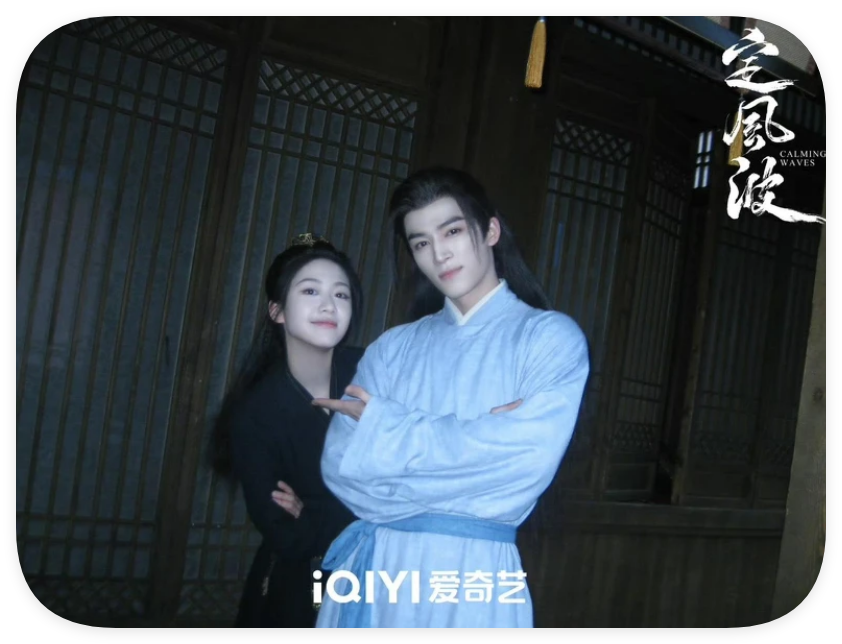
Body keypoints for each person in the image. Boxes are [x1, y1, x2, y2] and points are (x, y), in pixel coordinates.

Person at [311, 166, 591, 628]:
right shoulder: (392, 349)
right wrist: (484, 437)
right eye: (420, 243)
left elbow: (523, 466)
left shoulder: (548, 339)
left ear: (491, 230)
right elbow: (340, 467)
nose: (438, 253)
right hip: (379, 570)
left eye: (453, 231)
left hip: (474, 575)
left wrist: (382, 430)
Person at [208, 233, 365, 628]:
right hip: (302, 584)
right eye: (310, 291)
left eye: (341, 294)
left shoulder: (374, 372)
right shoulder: (256, 412)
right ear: (277, 311)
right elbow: (288, 535)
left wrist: (314, 514)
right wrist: (361, 515)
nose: (328, 305)